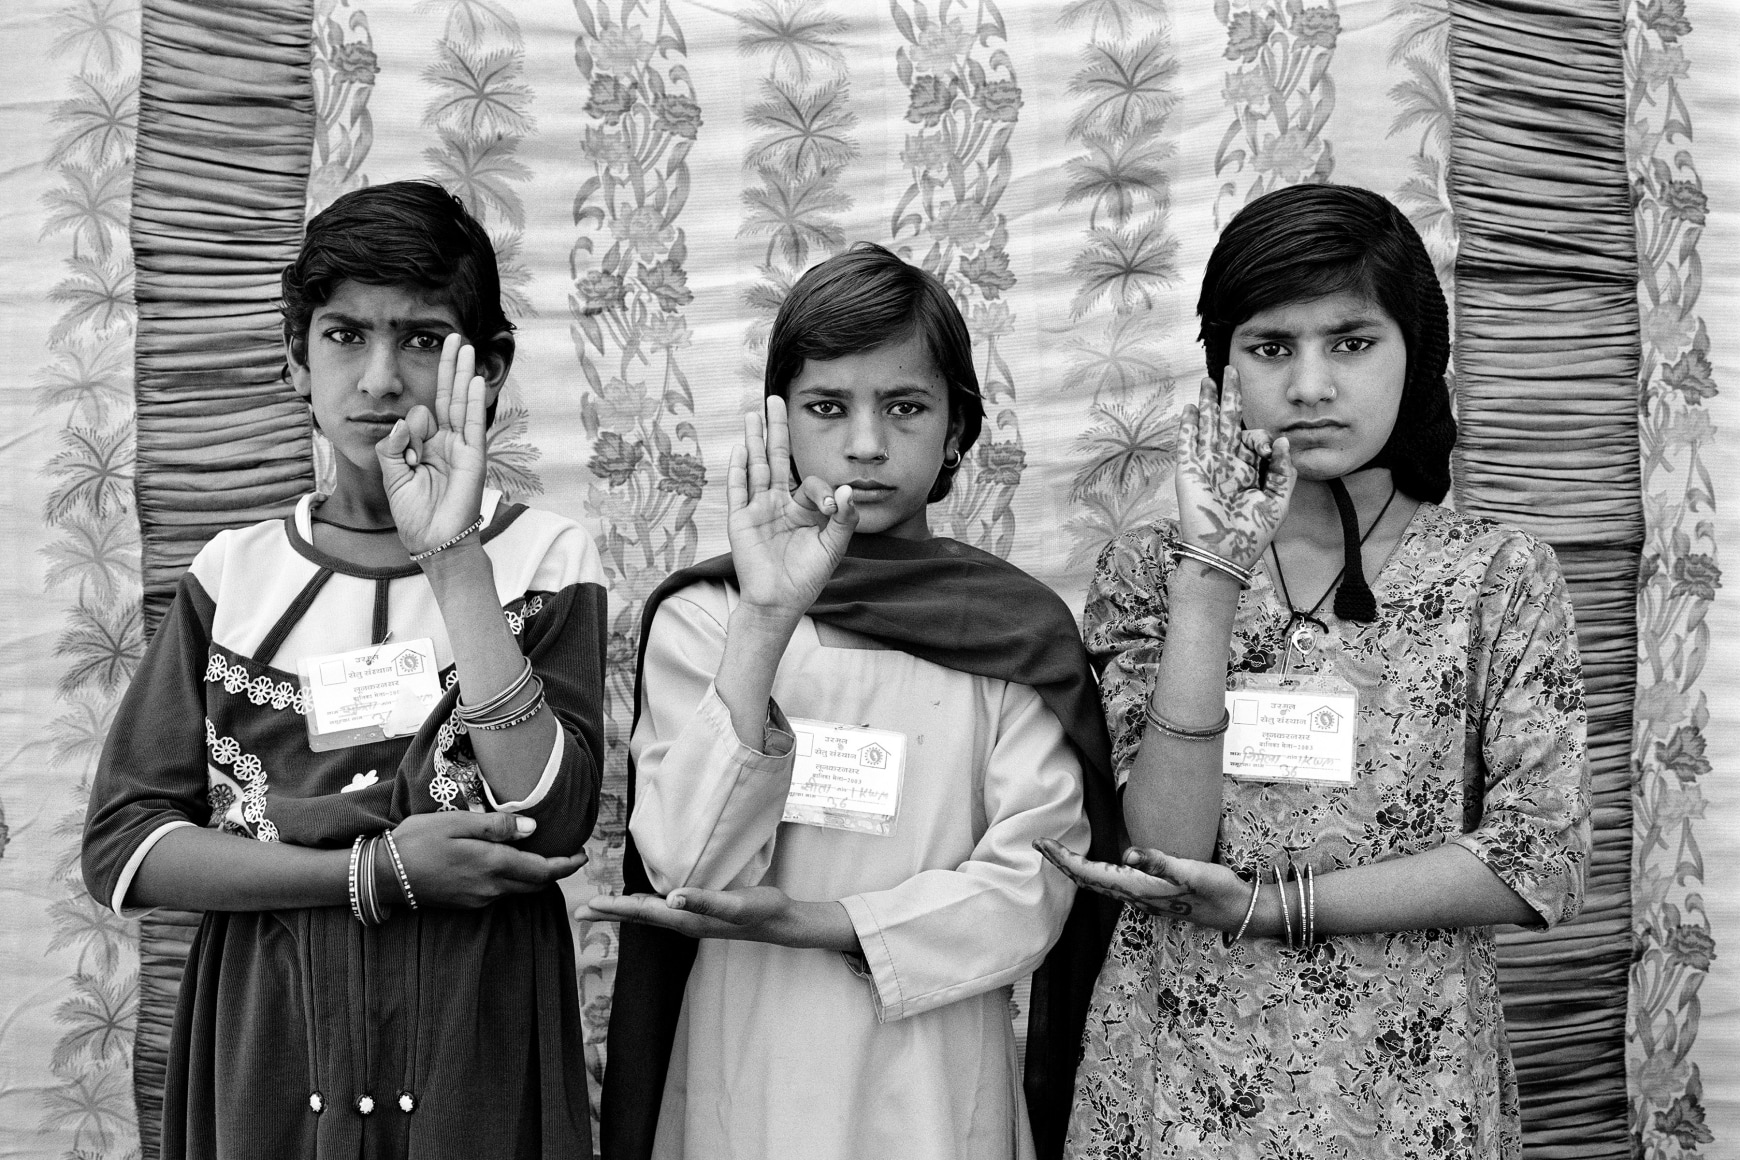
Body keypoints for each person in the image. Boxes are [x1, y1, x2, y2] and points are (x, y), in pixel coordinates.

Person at [1037, 184, 1591, 1159]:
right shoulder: (1151, 569)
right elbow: (1165, 840)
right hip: (1177, 1074)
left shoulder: (1498, 575)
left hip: (1407, 1088)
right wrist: (1211, 578)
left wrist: (1274, 906)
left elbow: (1539, 856)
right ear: (1224, 368)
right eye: (1270, 347)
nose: (1309, 385)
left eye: (1351, 342)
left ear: (1419, 351)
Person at [81, 181, 607, 1159]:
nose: (379, 378)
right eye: (344, 336)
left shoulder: (543, 558)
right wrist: (372, 872)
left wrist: (453, 557)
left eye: (422, 339)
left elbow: (553, 813)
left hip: (474, 1023)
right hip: (276, 1025)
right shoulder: (235, 575)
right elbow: (126, 847)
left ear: (489, 365)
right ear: (296, 357)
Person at [588, 243, 1121, 1160]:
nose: (866, 443)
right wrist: (767, 618)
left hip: (933, 1076)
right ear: (778, 422)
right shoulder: (709, 617)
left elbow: (1035, 883)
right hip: (743, 1062)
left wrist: (827, 924)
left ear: (957, 429)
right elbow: (684, 862)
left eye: (905, 407)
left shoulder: (1013, 632)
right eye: (827, 407)